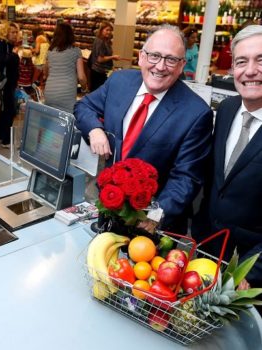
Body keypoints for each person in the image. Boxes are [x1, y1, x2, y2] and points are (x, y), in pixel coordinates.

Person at [74, 24, 214, 233]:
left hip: (150, 223)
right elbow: (84, 106)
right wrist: (95, 129)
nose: (160, 66)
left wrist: (156, 216)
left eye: (171, 59)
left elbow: (186, 177)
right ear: (141, 57)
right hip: (108, 204)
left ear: (182, 65)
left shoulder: (196, 113)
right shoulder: (119, 82)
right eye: (154, 56)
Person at [192, 25, 262, 288]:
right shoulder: (227, 108)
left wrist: (249, 273)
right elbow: (215, 182)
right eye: (241, 61)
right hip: (207, 253)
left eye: (260, 60)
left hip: (249, 275)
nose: (251, 70)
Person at [44, 22, 87, 114]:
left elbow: (46, 73)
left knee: (50, 121)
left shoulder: (50, 51)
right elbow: (81, 77)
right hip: (67, 93)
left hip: (50, 91)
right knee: (65, 123)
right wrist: (84, 88)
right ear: (71, 35)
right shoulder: (76, 51)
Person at [0, 22, 20, 148]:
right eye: (12, 32)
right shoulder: (2, 44)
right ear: (6, 33)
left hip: (10, 83)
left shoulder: (9, 45)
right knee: (9, 110)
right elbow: (0, 62)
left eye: (16, 32)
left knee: (5, 110)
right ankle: (5, 140)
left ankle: (1, 137)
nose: (15, 35)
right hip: (6, 83)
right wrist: (14, 54)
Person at [89, 21, 120, 92]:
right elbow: (100, 59)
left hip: (102, 71)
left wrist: (112, 67)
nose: (109, 32)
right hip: (98, 72)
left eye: (110, 30)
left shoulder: (105, 41)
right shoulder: (100, 41)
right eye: (107, 30)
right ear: (101, 30)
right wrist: (113, 57)